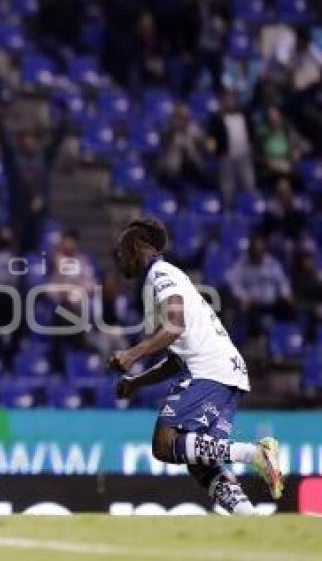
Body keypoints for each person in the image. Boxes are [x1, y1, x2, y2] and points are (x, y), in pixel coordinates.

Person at [109, 217, 282, 515]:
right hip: (227, 371)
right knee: (198, 461)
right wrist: (137, 382)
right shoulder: (163, 279)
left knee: (164, 444)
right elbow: (176, 357)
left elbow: (175, 327)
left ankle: (255, 454)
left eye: (122, 250)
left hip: (209, 369)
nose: (118, 257)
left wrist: (132, 354)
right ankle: (249, 518)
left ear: (136, 247)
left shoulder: (160, 274)